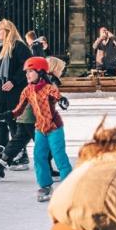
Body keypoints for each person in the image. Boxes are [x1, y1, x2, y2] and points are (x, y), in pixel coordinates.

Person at [11, 56, 72, 202]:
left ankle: (70, 186)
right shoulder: (27, 90)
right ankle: (45, 185)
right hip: (40, 129)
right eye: (26, 72)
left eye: (30, 71)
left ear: (40, 72)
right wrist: (8, 115)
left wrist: (63, 100)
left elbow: (58, 96)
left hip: (54, 127)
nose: (27, 75)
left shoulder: (49, 88)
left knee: (59, 156)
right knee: (39, 156)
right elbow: (19, 109)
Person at [0, 19, 34, 179]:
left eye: (0, 30)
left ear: (8, 30)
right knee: (0, 122)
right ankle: (1, 151)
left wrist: (14, 81)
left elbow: (27, 67)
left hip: (13, 94)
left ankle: (20, 156)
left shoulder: (18, 47)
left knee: (14, 123)